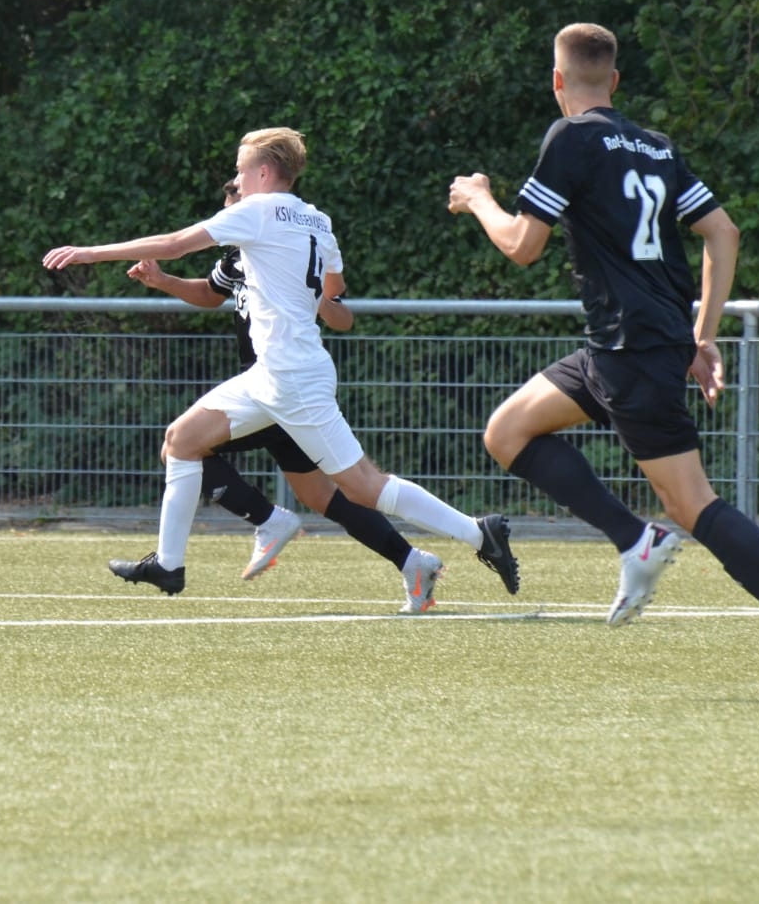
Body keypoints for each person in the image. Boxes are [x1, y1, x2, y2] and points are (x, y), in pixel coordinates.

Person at [43, 126, 520, 605]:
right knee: (182, 440)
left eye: (240, 170)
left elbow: (173, 244)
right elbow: (333, 289)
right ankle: (169, 565)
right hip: (271, 374)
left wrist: (90, 253)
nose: (237, 179)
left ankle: (479, 533)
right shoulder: (317, 219)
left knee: (364, 487)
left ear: (264, 172)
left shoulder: (258, 211)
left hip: (292, 377)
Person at [448, 21, 759, 625]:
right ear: (614, 80)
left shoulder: (571, 136)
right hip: (621, 347)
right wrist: (702, 334)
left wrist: (478, 198)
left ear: (556, 80)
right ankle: (635, 539)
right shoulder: (656, 146)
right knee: (507, 432)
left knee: (692, 503)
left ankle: (645, 539)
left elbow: (522, 245)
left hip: (632, 349)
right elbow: (723, 232)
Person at [128, 175, 457, 612]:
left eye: (232, 204)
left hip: (279, 387)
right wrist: (163, 280)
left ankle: (267, 520)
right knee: (322, 496)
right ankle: (413, 562)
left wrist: (322, 303)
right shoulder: (238, 256)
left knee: (180, 446)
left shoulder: (285, 245)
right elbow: (209, 294)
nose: (226, 215)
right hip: (263, 387)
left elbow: (343, 318)